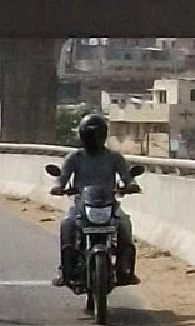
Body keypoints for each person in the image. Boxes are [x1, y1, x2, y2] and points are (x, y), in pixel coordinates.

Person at [50, 113, 141, 288]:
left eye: (98, 135)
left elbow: (127, 176)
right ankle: (66, 270)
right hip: (81, 205)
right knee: (67, 224)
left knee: (124, 224)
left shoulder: (114, 157)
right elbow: (62, 177)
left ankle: (125, 270)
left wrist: (131, 185)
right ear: (83, 135)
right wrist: (58, 187)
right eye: (90, 135)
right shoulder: (74, 157)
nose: (94, 139)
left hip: (109, 204)